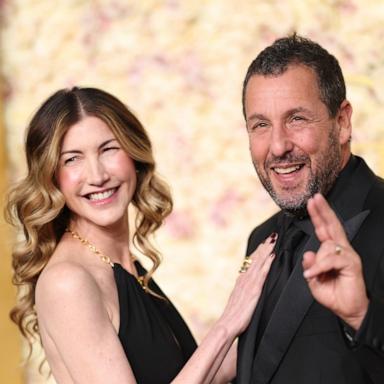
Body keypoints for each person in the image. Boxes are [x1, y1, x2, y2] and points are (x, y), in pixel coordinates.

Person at [6, 86, 276, 384]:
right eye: (72, 159)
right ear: (51, 177)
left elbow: (199, 376)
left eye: (108, 149)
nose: (97, 176)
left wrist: (286, 300)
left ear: (133, 154)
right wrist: (227, 325)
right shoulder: (68, 281)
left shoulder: (124, 267)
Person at [237, 34, 384, 384]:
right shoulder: (262, 239)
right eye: (261, 125)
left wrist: (363, 318)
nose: (278, 146)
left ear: (343, 122)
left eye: (297, 119)